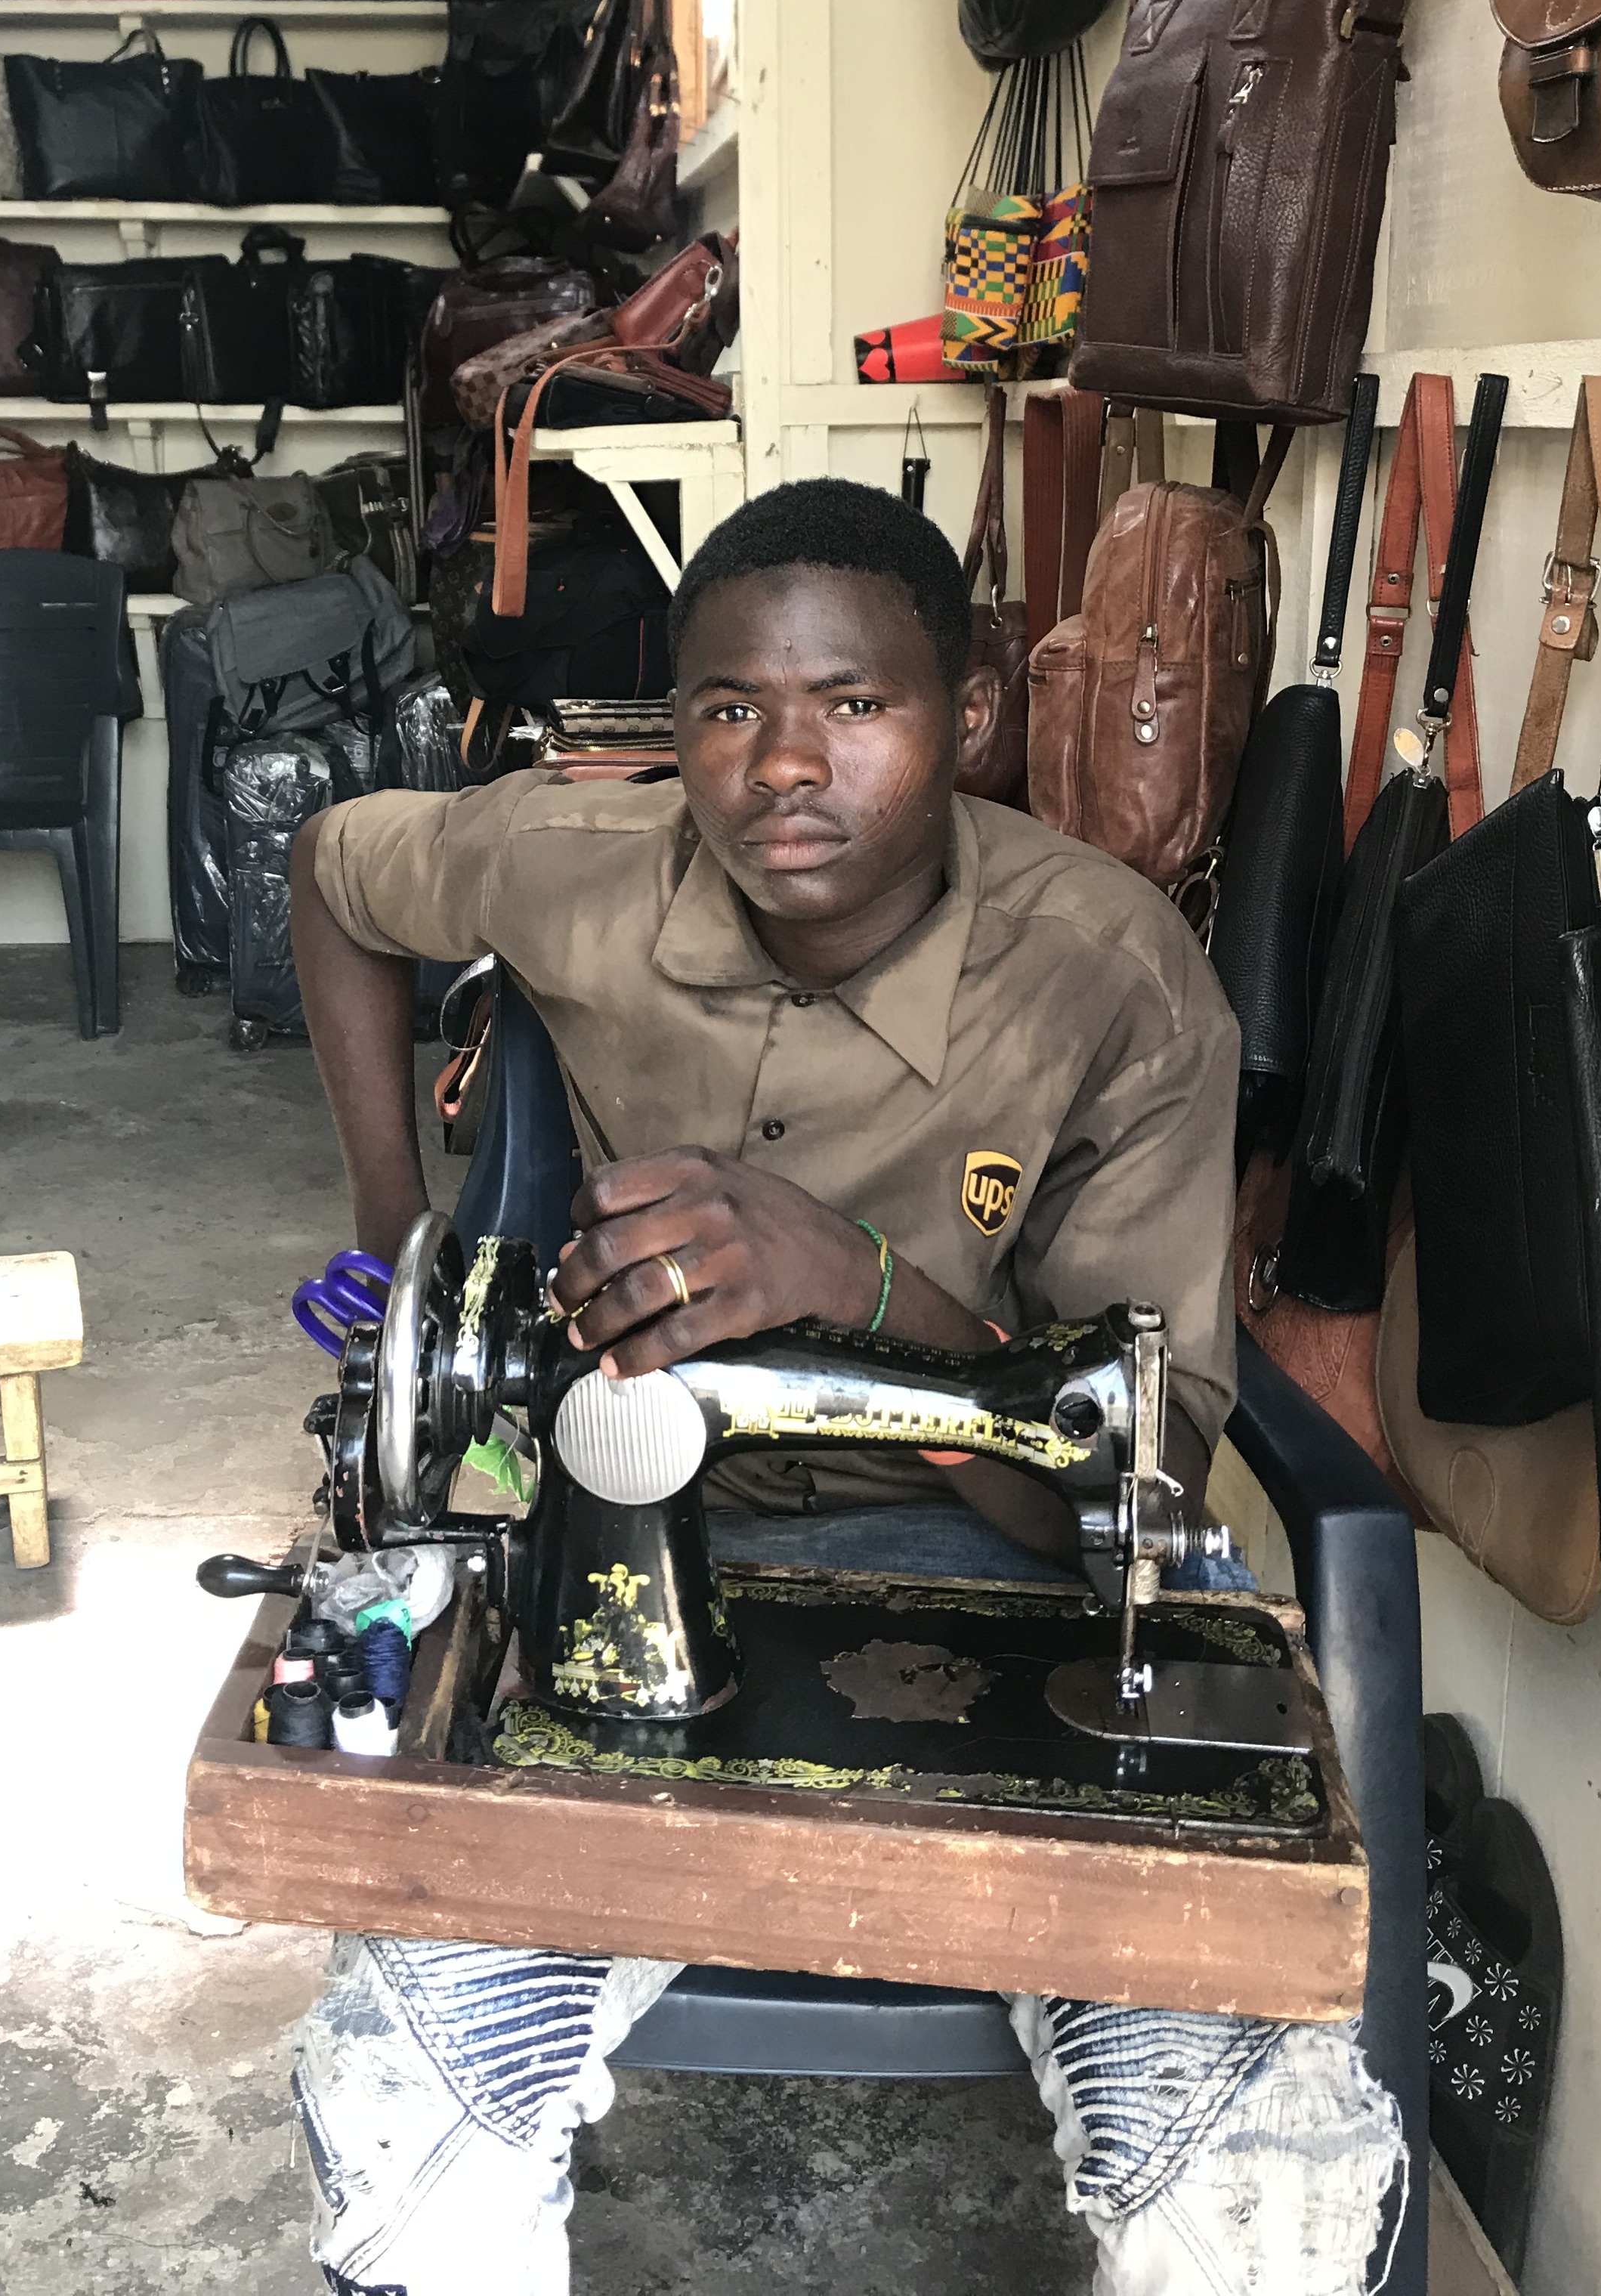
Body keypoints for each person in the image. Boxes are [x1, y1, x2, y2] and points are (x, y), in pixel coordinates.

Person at [285, 479, 1403, 2296]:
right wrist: (405, 1233)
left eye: (855, 707)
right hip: (634, 1543)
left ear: (966, 720)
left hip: (1010, 1565)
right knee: (411, 2102)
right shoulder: (567, 864)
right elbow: (337, 868)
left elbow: (1115, 1501)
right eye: (728, 709)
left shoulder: (1116, 985)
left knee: (1251, 2186)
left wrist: (874, 1292)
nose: (781, 767)